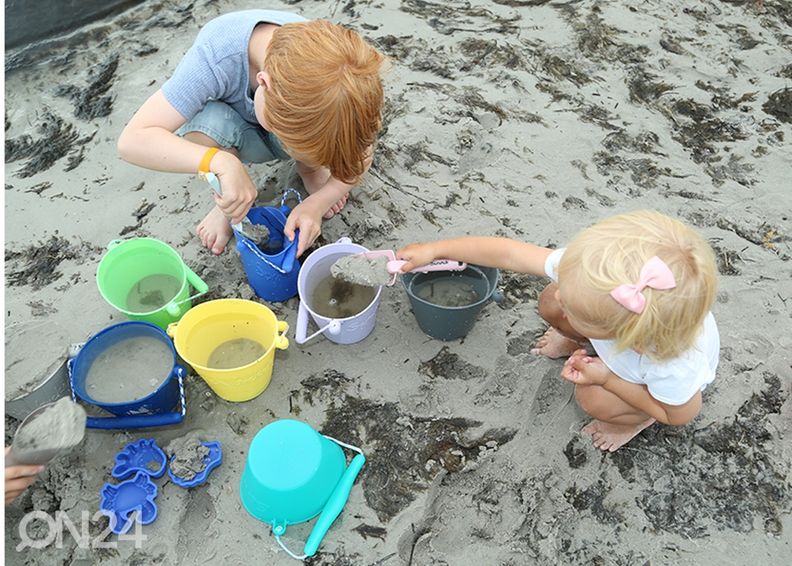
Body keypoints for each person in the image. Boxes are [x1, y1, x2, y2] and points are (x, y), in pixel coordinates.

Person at [397, 210, 720, 452]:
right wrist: (436, 250)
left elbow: (679, 414)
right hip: (614, 337)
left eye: (576, 310)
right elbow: (509, 253)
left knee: (592, 399)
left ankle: (633, 421)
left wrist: (607, 379)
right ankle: (576, 338)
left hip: (646, 387)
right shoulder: (594, 274)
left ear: (622, 335)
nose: (563, 294)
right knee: (550, 299)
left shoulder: (670, 365)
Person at [118, 10, 384, 256]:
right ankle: (229, 203)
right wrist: (221, 162)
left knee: (326, 134)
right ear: (264, 84)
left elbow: (361, 150)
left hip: (287, 113)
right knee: (204, 120)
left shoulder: (344, 77)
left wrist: (319, 202)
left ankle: (310, 170)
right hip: (231, 126)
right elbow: (132, 141)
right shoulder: (214, 57)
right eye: (294, 147)